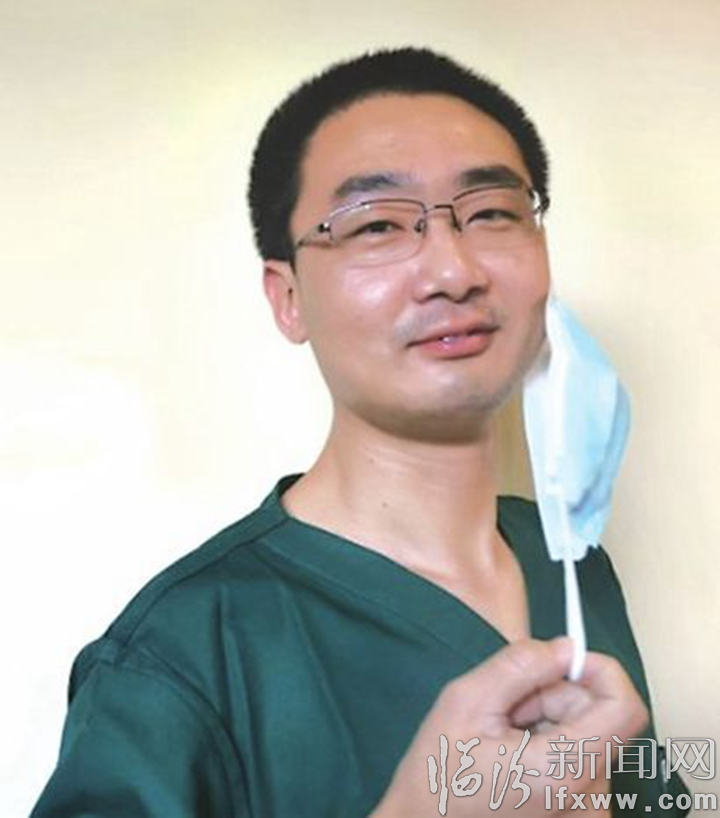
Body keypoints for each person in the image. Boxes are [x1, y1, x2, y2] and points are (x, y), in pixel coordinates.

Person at [32, 47, 689, 816]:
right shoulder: (177, 656)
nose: (454, 271)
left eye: (491, 213)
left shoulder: (574, 565)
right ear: (288, 298)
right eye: (376, 225)